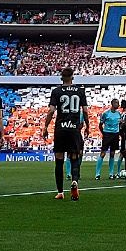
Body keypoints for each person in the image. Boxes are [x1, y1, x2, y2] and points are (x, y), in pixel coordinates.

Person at [42, 68, 90, 201]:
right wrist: (87, 126)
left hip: (61, 128)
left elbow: (51, 111)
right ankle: (75, 182)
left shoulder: (56, 91)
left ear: (61, 78)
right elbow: (85, 111)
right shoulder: (80, 91)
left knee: (59, 160)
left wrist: (45, 126)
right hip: (74, 128)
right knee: (74, 157)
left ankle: (60, 192)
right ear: (72, 77)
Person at [98, 98, 124, 180]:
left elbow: (120, 125)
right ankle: (97, 173)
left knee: (112, 154)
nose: (118, 105)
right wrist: (104, 133)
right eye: (117, 103)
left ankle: (111, 173)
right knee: (103, 153)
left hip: (115, 135)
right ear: (112, 104)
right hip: (107, 134)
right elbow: (100, 124)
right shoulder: (106, 113)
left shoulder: (119, 114)